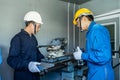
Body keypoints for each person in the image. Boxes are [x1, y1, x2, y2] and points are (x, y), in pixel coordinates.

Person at [73, 8, 114, 80]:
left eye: (78, 22)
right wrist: (84, 52)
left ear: (84, 18)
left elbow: (102, 57)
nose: (77, 26)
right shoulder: (91, 32)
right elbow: (95, 51)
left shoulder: (97, 30)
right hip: (94, 72)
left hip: (101, 74)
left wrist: (82, 55)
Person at [7, 11, 44, 80]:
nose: (39, 29)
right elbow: (11, 60)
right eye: (38, 26)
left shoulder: (33, 38)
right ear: (31, 24)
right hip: (23, 76)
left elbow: (37, 53)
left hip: (35, 76)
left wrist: (47, 60)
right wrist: (28, 65)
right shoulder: (17, 38)